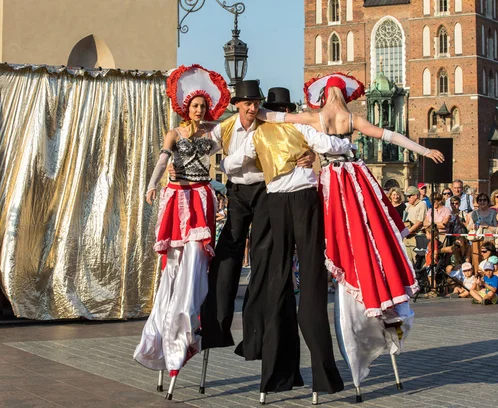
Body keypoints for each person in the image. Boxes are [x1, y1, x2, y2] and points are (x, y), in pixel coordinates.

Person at [259, 72, 443, 391]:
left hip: (332, 182)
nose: (334, 96)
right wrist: (422, 151)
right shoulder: (350, 118)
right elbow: (389, 135)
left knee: (354, 239)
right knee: (365, 237)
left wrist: (254, 111)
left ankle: (360, 283)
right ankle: (369, 287)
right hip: (351, 180)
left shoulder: (316, 117)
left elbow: (275, 116)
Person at [223, 81, 355, 396]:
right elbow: (335, 147)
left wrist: (257, 162)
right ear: (289, 110)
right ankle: (322, 377)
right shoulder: (300, 129)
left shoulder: (259, 134)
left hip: (277, 204)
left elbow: (229, 165)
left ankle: (278, 376)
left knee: (277, 284)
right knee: (311, 284)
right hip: (304, 201)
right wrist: (341, 145)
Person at [133, 65, 229, 387]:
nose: (199, 110)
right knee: (173, 265)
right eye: (195, 105)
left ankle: (185, 327)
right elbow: (162, 160)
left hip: (201, 198)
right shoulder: (174, 133)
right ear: (185, 107)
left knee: (194, 263)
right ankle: (166, 333)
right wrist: (151, 185)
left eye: (203, 106)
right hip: (177, 199)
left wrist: (227, 187)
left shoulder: (212, 135)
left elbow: (226, 161)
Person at [405, 185, 428, 263]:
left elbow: (419, 222)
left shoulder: (422, 205)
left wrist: (407, 232)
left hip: (416, 237)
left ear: (415, 196)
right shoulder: (408, 206)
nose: (407, 198)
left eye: (409, 196)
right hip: (407, 237)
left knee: (416, 261)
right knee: (408, 261)